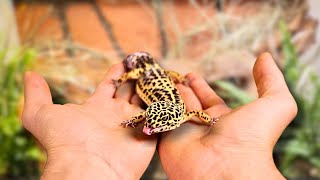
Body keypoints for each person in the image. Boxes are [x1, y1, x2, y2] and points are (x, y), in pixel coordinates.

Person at [22, 52, 297, 179]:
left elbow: (196, 113)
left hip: (162, 81)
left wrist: (210, 121)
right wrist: (134, 115)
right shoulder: (154, 107)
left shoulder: (183, 113)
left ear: (173, 119)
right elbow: (152, 113)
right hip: (153, 79)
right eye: (149, 119)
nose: (148, 126)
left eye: (155, 122)